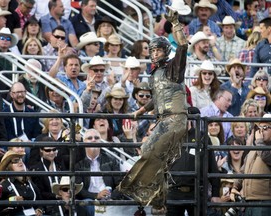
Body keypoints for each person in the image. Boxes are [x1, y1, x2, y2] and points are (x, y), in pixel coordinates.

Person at [117, 8, 189, 214]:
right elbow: (157, 97)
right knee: (159, 162)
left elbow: (183, 46)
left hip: (174, 119)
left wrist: (175, 23)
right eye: (152, 50)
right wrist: (141, 110)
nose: (154, 53)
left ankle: (134, 189)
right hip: (164, 119)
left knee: (148, 149)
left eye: (158, 50)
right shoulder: (154, 75)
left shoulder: (173, 68)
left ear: (165, 52)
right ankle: (158, 203)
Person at [230, 113, 271, 215]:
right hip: (248, 202)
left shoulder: (258, 145)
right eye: (259, 127)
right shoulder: (255, 147)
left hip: (264, 203)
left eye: (265, 127)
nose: (261, 131)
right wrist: (235, 187)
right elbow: (243, 171)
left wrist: (259, 142)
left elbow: (267, 157)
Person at [75, 129, 121, 215]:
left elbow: (120, 184)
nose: (93, 140)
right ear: (84, 143)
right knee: (86, 203)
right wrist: (96, 195)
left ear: (100, 141)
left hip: (109, 199)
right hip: (91, 200)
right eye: (89, 138)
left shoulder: (111, 161)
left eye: (96, 137)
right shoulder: (79, 166)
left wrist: (113, 198)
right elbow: (79, 190)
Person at [0, 150, 44, 216]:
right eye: (15, 161)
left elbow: (40, 201)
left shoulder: (30, 183)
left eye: (21, 160)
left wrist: (39, 210)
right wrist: (11, 200)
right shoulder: (3, 185)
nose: (20, 162)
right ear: (8, 167)